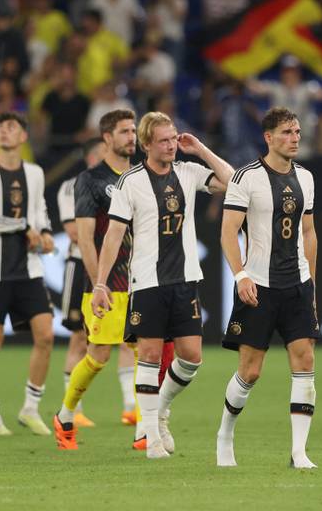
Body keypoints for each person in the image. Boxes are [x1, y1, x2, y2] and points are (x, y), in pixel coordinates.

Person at [91, 111, 233, 458]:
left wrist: (200, 149)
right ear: (146, 145)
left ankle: (161, 411)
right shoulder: (131, 182)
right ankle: (152, 436)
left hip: (185, 280)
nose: (172, 146)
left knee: (191, 358)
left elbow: (232, 182)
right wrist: (101, 283)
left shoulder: (189, 172)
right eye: (164, 141)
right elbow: (113, 235)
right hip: (147, 281)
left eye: (174, 139)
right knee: (151, 355)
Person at [216, 107, 319, 469]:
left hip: (298, 286)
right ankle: (225, 433)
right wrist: (240, 274)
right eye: (288, 132)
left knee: (305, 360)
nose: (295, 138)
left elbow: (308, 232)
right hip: (258, 285)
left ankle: (299, 452)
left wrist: (312, 285)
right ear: (269, 138)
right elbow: (228, 232)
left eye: (298, 132)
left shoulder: (306, 178)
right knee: (251, 370)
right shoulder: (245, 178)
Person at [52, 109, 148, 450]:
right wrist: (99, 285)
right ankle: (65, 415)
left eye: (134, 130)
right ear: (107, 138)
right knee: (98, 356)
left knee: (145, 351)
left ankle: (144, 430)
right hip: (108, 285)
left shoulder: (142, 175)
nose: (131, 137)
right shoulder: (90, 180)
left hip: (142, 281)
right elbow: (86, 238)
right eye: (124, 131)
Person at [0, 112, 56, 437]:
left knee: (46, 335)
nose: (4, 132)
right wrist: (23, 227)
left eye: (11, 127)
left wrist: (44, 231)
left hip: (28, 269)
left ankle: (30, 408)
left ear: (23, 137)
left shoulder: (33, 173)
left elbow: (39, 209)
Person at [55, 137, 112, 428]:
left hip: (117, 268)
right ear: (93, 158)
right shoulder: (72, 186)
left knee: (128, 341)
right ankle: (73, 409)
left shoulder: (123, 182)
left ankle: (132, 408)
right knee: (80, 337)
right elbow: (74, 231)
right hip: (81, 266)